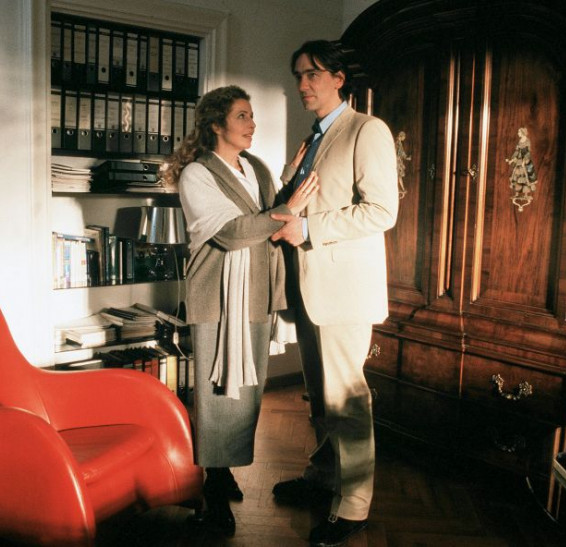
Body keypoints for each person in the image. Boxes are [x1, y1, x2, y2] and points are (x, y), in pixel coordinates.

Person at [163, 85, 318, 537]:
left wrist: (289, 181)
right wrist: (286, 209)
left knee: (246, 392)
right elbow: (233, 233)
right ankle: (213, 492)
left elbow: (265, 214)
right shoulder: (197, 174)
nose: (252, 124)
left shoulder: (256, 168)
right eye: (242, 116)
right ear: (216, 124)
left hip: (256, 290)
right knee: (219, 392)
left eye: (251, 115)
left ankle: (222, 470)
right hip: (219, 295)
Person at [270, 40, 399, 547]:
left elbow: (381, 211)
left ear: (339, 79)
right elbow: (294, 204)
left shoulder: (367, 129)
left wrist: (308, 229)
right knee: (321, 396)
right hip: (309, 287)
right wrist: (290, 176)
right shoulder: (315, 137)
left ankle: (353, 506)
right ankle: (323, 476)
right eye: (298, 76)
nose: (302, 85)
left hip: (343, 290)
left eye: (313, 74)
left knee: (346, 398)